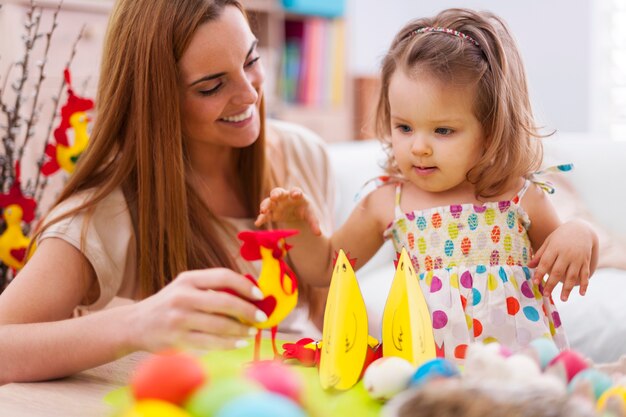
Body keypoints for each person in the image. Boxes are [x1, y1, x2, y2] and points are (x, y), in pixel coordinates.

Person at [0, 0, 334, 383]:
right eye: (212, 86)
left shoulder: (302, 154)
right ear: (156, 101)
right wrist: (135, 323)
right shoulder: (106, 214)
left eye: (251, 60)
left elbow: (330, 315)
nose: (250, 94)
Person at [256, 8, 598, 360]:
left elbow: (565, 264)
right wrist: (295, 222)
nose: (418, 146)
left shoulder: (519, 198)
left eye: (443, 130)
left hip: (524, 377)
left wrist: (580, 234)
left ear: (491, 129)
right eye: (404, 127)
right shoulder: (387, 202)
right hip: (430, 373)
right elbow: (326, 267)